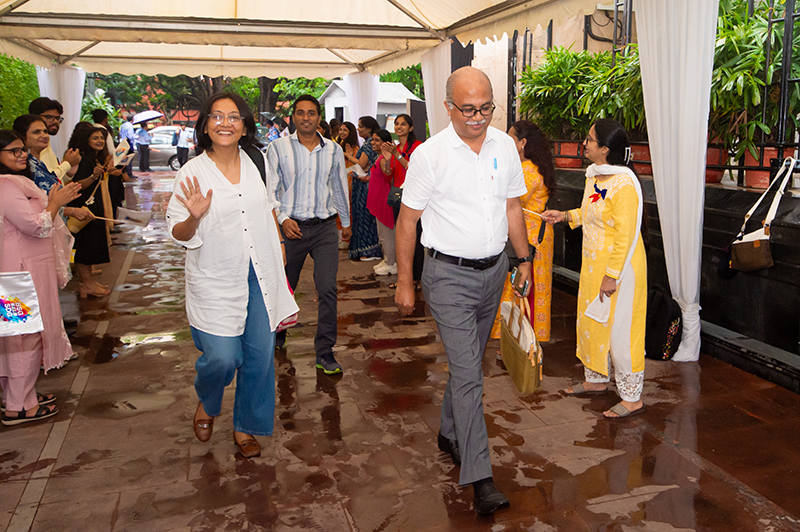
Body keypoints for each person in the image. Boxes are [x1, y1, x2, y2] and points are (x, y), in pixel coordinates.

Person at [394, 66, 531, 515]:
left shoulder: (504, 146)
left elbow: (513, 207)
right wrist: (405, 281)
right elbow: (407, 222)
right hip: (447, 276)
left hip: (494, 273)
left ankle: (449, 431)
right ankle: (480, 477)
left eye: (486, 108)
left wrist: (524, 259)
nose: (478, 117)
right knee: (470, 373)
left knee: (469, 361)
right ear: (448, 107)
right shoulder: (429, 156)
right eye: (468, 109)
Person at [167, 92, 298, 458]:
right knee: (223, 357)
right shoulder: (191, 173)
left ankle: (246, 426)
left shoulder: (257, 160)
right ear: (205, 125)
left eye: (234, 117)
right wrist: (194, 217)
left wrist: (279, 247)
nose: (225, 123)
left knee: (259, 355)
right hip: (216, 277)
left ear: (244, 126)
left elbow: (269, 207)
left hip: (260, 271)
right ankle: (208, 401)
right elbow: (178, 233)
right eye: (217, 116)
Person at [541, 118, 648, 419]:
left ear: (605, 149)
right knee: (592, 322)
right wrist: (564, 216)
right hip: (593, 266)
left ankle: (632, 398)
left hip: (621, 270)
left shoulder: (624, 183)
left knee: (621, 330)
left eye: (589, 139)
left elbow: (626, 236)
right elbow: (592, 213)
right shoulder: (596, 176)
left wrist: (612, 276)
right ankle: (596, 380)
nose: (584, 143)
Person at [0, 129, 82, 426]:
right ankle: (20, 406)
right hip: (19, 274)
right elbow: (34, 225)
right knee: (24, 337)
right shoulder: (6, 186)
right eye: (14, 151)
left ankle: (16, 396)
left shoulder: (15, 181)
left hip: (24, 269)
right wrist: (55, 203)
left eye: (22, 149)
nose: (22, 154)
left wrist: (56, 201)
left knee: (18, 336)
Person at [267, 94, 351, 374]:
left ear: (318, 117)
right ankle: (278, 332)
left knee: (327, 288)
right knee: (285, 286)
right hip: (291, 229)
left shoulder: (333, 150)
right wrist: (282, 219)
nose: (306, 118)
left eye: (311, 113)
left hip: (325, 228)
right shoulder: (277, 148)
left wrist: (346, 222)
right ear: (293, 117)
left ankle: (325, 351)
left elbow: (338, 187)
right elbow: (270, 191)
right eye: (301, 113)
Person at [490, 120, 555, 342]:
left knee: (520, 287)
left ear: (522, 143)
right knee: (529, 287)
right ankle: (524, 339)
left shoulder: (526, 170)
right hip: (537, 234)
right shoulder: (536, 166)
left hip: (528, 236)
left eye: (510, 137)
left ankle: (518, 341)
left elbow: (510, 201)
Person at [11, 114, 95, 225]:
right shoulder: (25, 166)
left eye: (45, 131)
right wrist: (70, 211)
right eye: (36, 132)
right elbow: (34, 207)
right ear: (22, 137)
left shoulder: (39, 164)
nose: (44, 135)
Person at [66, 125, 118, 298]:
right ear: (86, 140)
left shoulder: (93, 158)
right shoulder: (82, 158)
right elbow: (77, 185)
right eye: (95, 138)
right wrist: (94, 176)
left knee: (90, 245)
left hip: (92, 206)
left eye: (102, 138)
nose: (100, 141)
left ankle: (88, 281)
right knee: (85, 247)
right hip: (83, 208)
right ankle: (86, 284)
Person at [383, 114, 423, 288]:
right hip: (399, 197)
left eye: (403, 124)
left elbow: (413, 168)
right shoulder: (396, 148)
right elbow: (388, 175)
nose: (399, 127)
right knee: (401, 238)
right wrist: (387, 160)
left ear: (410, 128)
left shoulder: (417, 146)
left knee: (415, 238)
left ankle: (416, 278)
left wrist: (396, 155)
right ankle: (403, 279)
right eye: (397, 124)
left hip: (414, 197)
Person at [344, 116, 382, 261]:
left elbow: (361, 164)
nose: (358, 129)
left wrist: (348, 156)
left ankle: (368, 250)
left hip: (365, 185)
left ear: (369, 129)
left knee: (364, 217)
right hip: (364, 182)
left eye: (360, 126)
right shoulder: (368, 143)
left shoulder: (368, 144)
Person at [365, 128, 398, 276]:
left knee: (387, 235)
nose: (373, 142)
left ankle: (391, 263)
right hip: (378, 200)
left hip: (384, 201)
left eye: (377, 140)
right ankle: (387, 260)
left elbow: (387, 174)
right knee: (382, 234)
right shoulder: (379, 157)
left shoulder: (385, 158)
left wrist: (387, 159)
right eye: (373, 139)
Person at [28, 97, 81, 181]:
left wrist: (71, 167)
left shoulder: (47, 143)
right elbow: (46, 179)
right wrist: (67, 163)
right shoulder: (33, 145)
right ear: (34, 117)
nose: (55, 121)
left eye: (57, 118)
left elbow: (56, 179)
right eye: (49, 117)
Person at [119, 114, 136, 181]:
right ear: (132, 119)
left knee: (125, 158)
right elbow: (131, 136)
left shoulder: (123, 125)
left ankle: (125, 172)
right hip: (129, 143)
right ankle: (129, 173)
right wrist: (136, 137)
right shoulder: (130, 126)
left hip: (123, 143)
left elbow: (120, 134)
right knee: (129, 158)